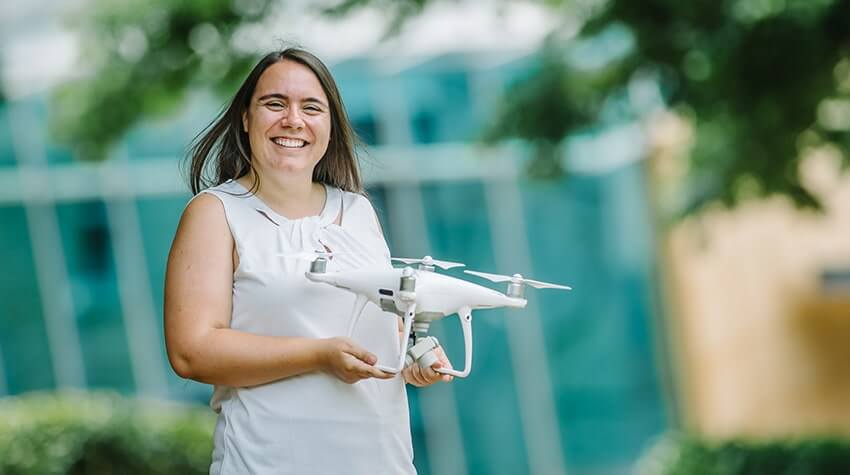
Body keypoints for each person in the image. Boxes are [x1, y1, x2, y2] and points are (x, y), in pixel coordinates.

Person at [164, 48, 452, 475]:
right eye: (275, 103)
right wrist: (318, 355)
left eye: (311, 107)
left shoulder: (358, 212)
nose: (293, 120)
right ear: (246, 118)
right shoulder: (215, 213)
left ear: (330, 126)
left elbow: (381, 341)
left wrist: (411, 364)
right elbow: (192, 352)